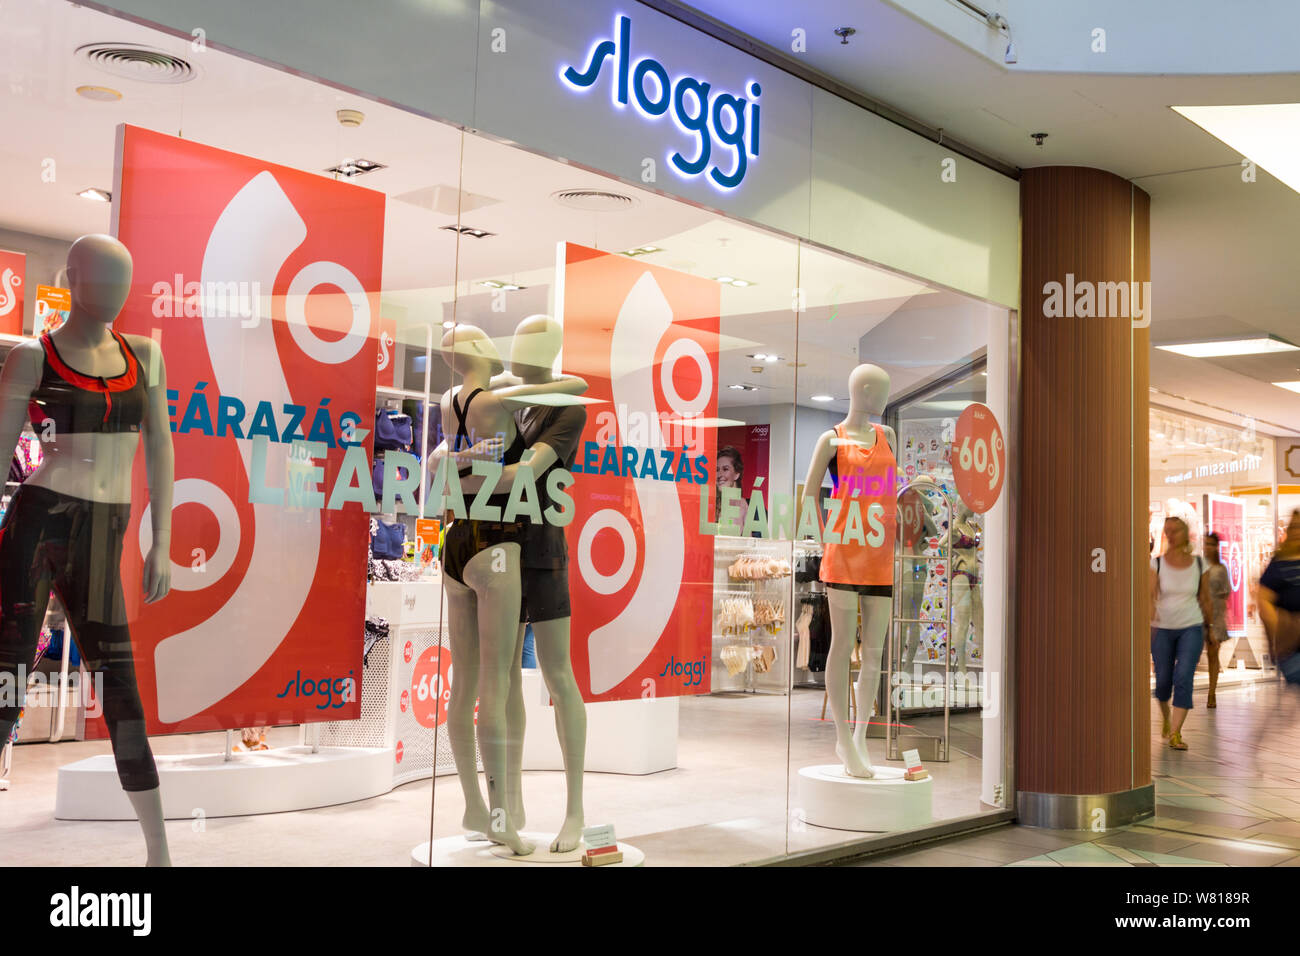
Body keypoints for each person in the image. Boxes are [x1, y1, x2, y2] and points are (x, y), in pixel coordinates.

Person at [1150, 516, 1209, 751]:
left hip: (1191, 626)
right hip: (1162, 628)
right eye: (1168, 531)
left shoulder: (1199, 564)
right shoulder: (1157, 564)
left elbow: (1204, 597)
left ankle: (1175, 733)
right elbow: (1149, 595)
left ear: (1185, 534)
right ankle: (1166, 718)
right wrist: (1149, 619)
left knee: (1184, 677)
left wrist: (1211, 626)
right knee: (1164, 681)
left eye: (1176, 530)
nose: (1171, 535)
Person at [1259, 510, 1300, 683]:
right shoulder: (1279, 564)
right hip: (1291, 647)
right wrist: (1275, 640)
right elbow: (1264, 601)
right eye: (1294, 527)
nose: (1297, 532)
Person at [1201, 532, 1231, 708]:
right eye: (1206, 544)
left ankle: (1211, 692)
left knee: (1213, 654)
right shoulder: (1199, 566)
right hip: (1199, 613)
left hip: (1217, 614)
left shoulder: (1221, 569)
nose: (1208, 547)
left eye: (1211, 544)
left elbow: (1225, 592)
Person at [714, 446, 743, 524]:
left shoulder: (746, 507)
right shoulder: (713, 507)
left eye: (725, 469)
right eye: (717, 470)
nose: (720, 474)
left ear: (736, 474)